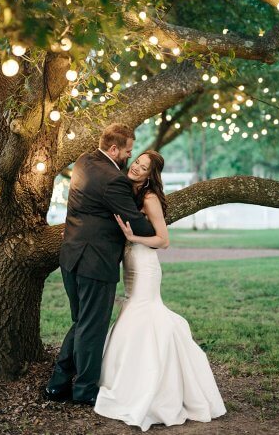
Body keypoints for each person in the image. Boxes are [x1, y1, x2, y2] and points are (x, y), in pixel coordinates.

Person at [94, 150, 227, 431]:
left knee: (142, 312)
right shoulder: (126, 190)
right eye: (137, 162)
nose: (137, 168)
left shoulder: (150, 198)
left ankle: (148, 384)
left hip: (145, 264)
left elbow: (163, 240)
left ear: (150, 175)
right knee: (133, 310)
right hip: (131, 262)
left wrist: (132, 237)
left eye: (143, 168)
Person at [45, 124, 156, 405]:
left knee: (82, 323)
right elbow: (137, 224)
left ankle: (58, 385)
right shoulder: (113, 180)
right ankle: (85, 391)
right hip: (95, 263)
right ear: (114, 149)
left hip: (71, 257)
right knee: (92, 329)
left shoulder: (84, 160)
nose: (129, 157)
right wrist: (150, 212)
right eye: (128, 151)